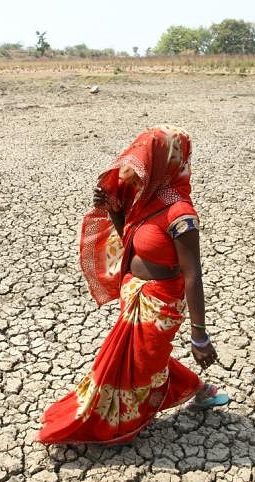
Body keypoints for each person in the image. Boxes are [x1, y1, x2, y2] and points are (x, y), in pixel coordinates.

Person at [37, 126, 229, 445]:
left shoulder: (180, 213)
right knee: (142, 357)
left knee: (140, 362)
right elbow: (129, 240)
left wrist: (200, 335)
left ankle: (115, 424)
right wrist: (113, 209)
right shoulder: (145, 200)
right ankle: (201, 390)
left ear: (164, 162)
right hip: (134, 293)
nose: (138, 168)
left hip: (160, 301)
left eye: (147, 160)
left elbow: (193, 275)